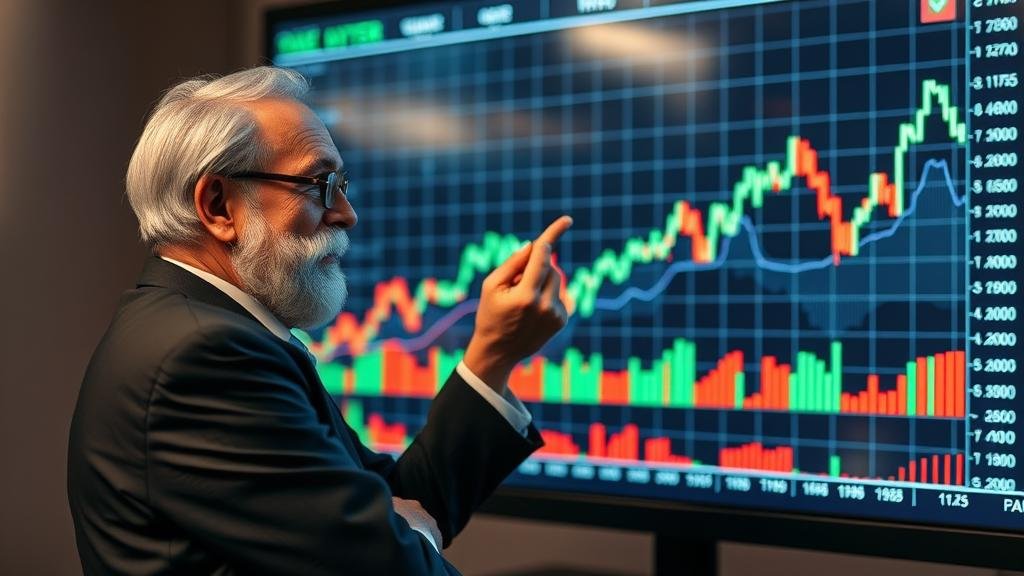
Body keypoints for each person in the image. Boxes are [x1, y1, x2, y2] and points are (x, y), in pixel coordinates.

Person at [67, 66, 573, 575]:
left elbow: (385, 504)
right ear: (219, 205)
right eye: (319, 184)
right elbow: (390, 562)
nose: (347, 212)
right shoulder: (206, 357)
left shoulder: (207, 331)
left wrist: (492, 354)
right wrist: (406, 533)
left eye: (342, 184)